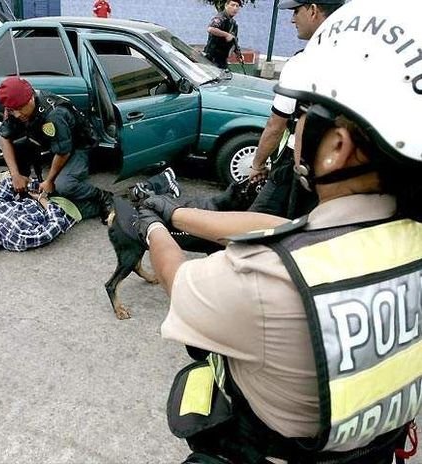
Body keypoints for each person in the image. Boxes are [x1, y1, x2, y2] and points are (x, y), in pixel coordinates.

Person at [138, 0, 422, 462]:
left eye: (304, 115)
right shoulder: (400, 235)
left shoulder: (263, 280)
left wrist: (151, 227)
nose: (296, 126)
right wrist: (177, 214)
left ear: (336, 146)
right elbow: (284, 229)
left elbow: (181, 281)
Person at [248, 0, 344, 217]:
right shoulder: (361, 57)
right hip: (346, 165)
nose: (292, 19)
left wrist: (257, 164)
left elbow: (276, 125)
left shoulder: (303, 63)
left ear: (313, 10)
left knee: (254, 231)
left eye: (296, 11)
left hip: (299, 163)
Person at [0, 76, 113, 223]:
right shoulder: (14, 108)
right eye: (12, 111)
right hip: (52, 144)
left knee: (63, 186)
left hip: (79, 146)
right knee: (17, 146)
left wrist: (50, 181)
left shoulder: (53, 114)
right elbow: (4, 137)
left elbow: (63, 152)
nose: (17, 115)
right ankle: (25, 184)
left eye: (19, 109)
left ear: (31, 98)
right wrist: (15, 175)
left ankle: (102, 196)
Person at [0, 175, 82, 255]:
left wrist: (43, 200)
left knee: (84, 195)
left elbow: (55, 226)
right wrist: (34, 189)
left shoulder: (16, 240)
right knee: (69, 180)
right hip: (43, 191)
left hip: (63, 208)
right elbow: (9, 182)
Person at [203, 0, 242, 70]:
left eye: (237, 6)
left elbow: (234, 39)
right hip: (212, 58)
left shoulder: (233, 23)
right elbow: (211, 29)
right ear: (226, 6)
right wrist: (226, 34)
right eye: (232, 5)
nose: (235, 8)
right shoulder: (220, 17)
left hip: (222, 59)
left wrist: (238, 53)